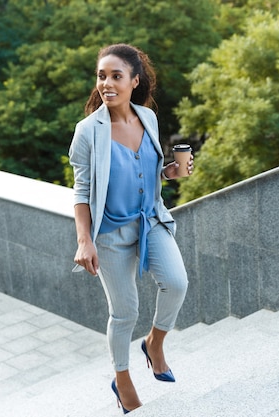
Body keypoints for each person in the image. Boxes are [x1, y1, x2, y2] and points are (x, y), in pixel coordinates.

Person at [68, 43, 192, 414]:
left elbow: (149, 171)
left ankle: (154, 343)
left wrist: (171, 171)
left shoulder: (147, 118)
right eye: (101, 76)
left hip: (150, 220)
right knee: (125, 312)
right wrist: (85, 240)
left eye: (115, 76)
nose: (106, 83)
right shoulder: (88, 131)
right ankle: (122, 381)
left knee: (177, 283)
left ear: (134, 81)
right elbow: (81, 190)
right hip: (109, 234)